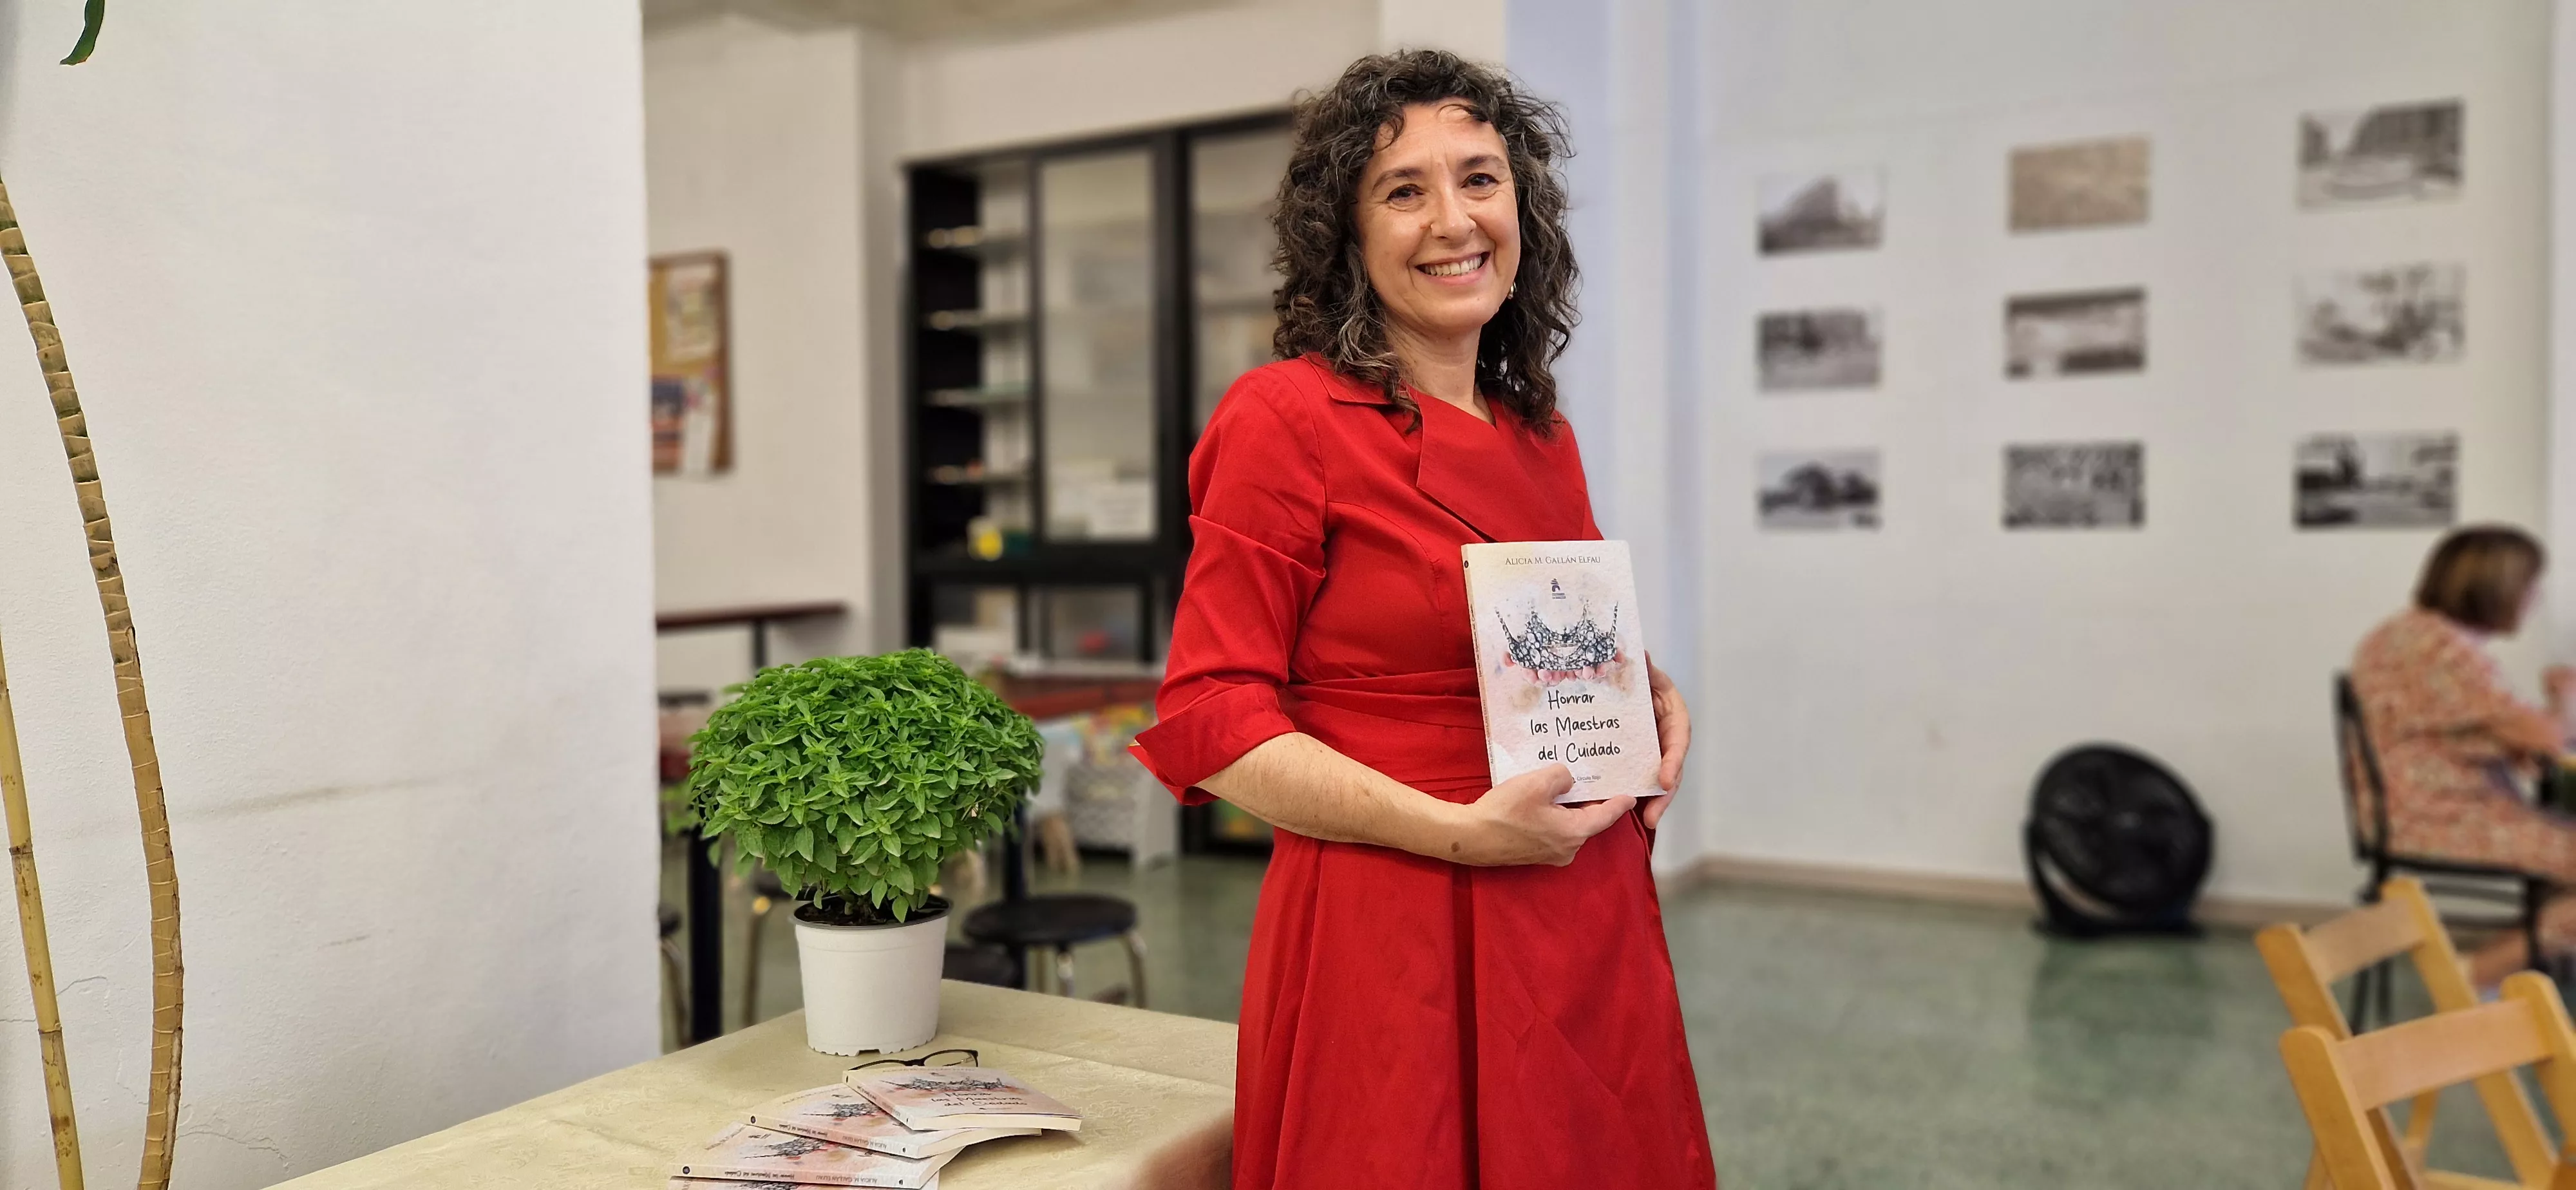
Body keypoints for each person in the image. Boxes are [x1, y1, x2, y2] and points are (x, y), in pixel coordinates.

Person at [1128, 50, 1716, 1190]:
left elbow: (1542, 640)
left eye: (1481, 179)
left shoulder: (1540, 434)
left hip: (1576, 902)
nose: (1454, 220)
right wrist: (1457, 832)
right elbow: (1214, 716)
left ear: (1522, 210)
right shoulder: (1285, 418)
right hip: (1395, 909)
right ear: (1347, 234)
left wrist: (1646, 689)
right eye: (1404, 190)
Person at [2351, 525, 2576, 988]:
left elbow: (2472, 728)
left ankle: (2512, 979)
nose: (2535, 598)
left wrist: (2522, 740)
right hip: (2435, 819)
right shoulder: (2444, 650)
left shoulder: (2405, 634)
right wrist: (2565, 693)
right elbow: (2548, 738)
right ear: (2499, 588)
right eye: (2531, 586)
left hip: (2414, 809)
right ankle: (2473, 978)